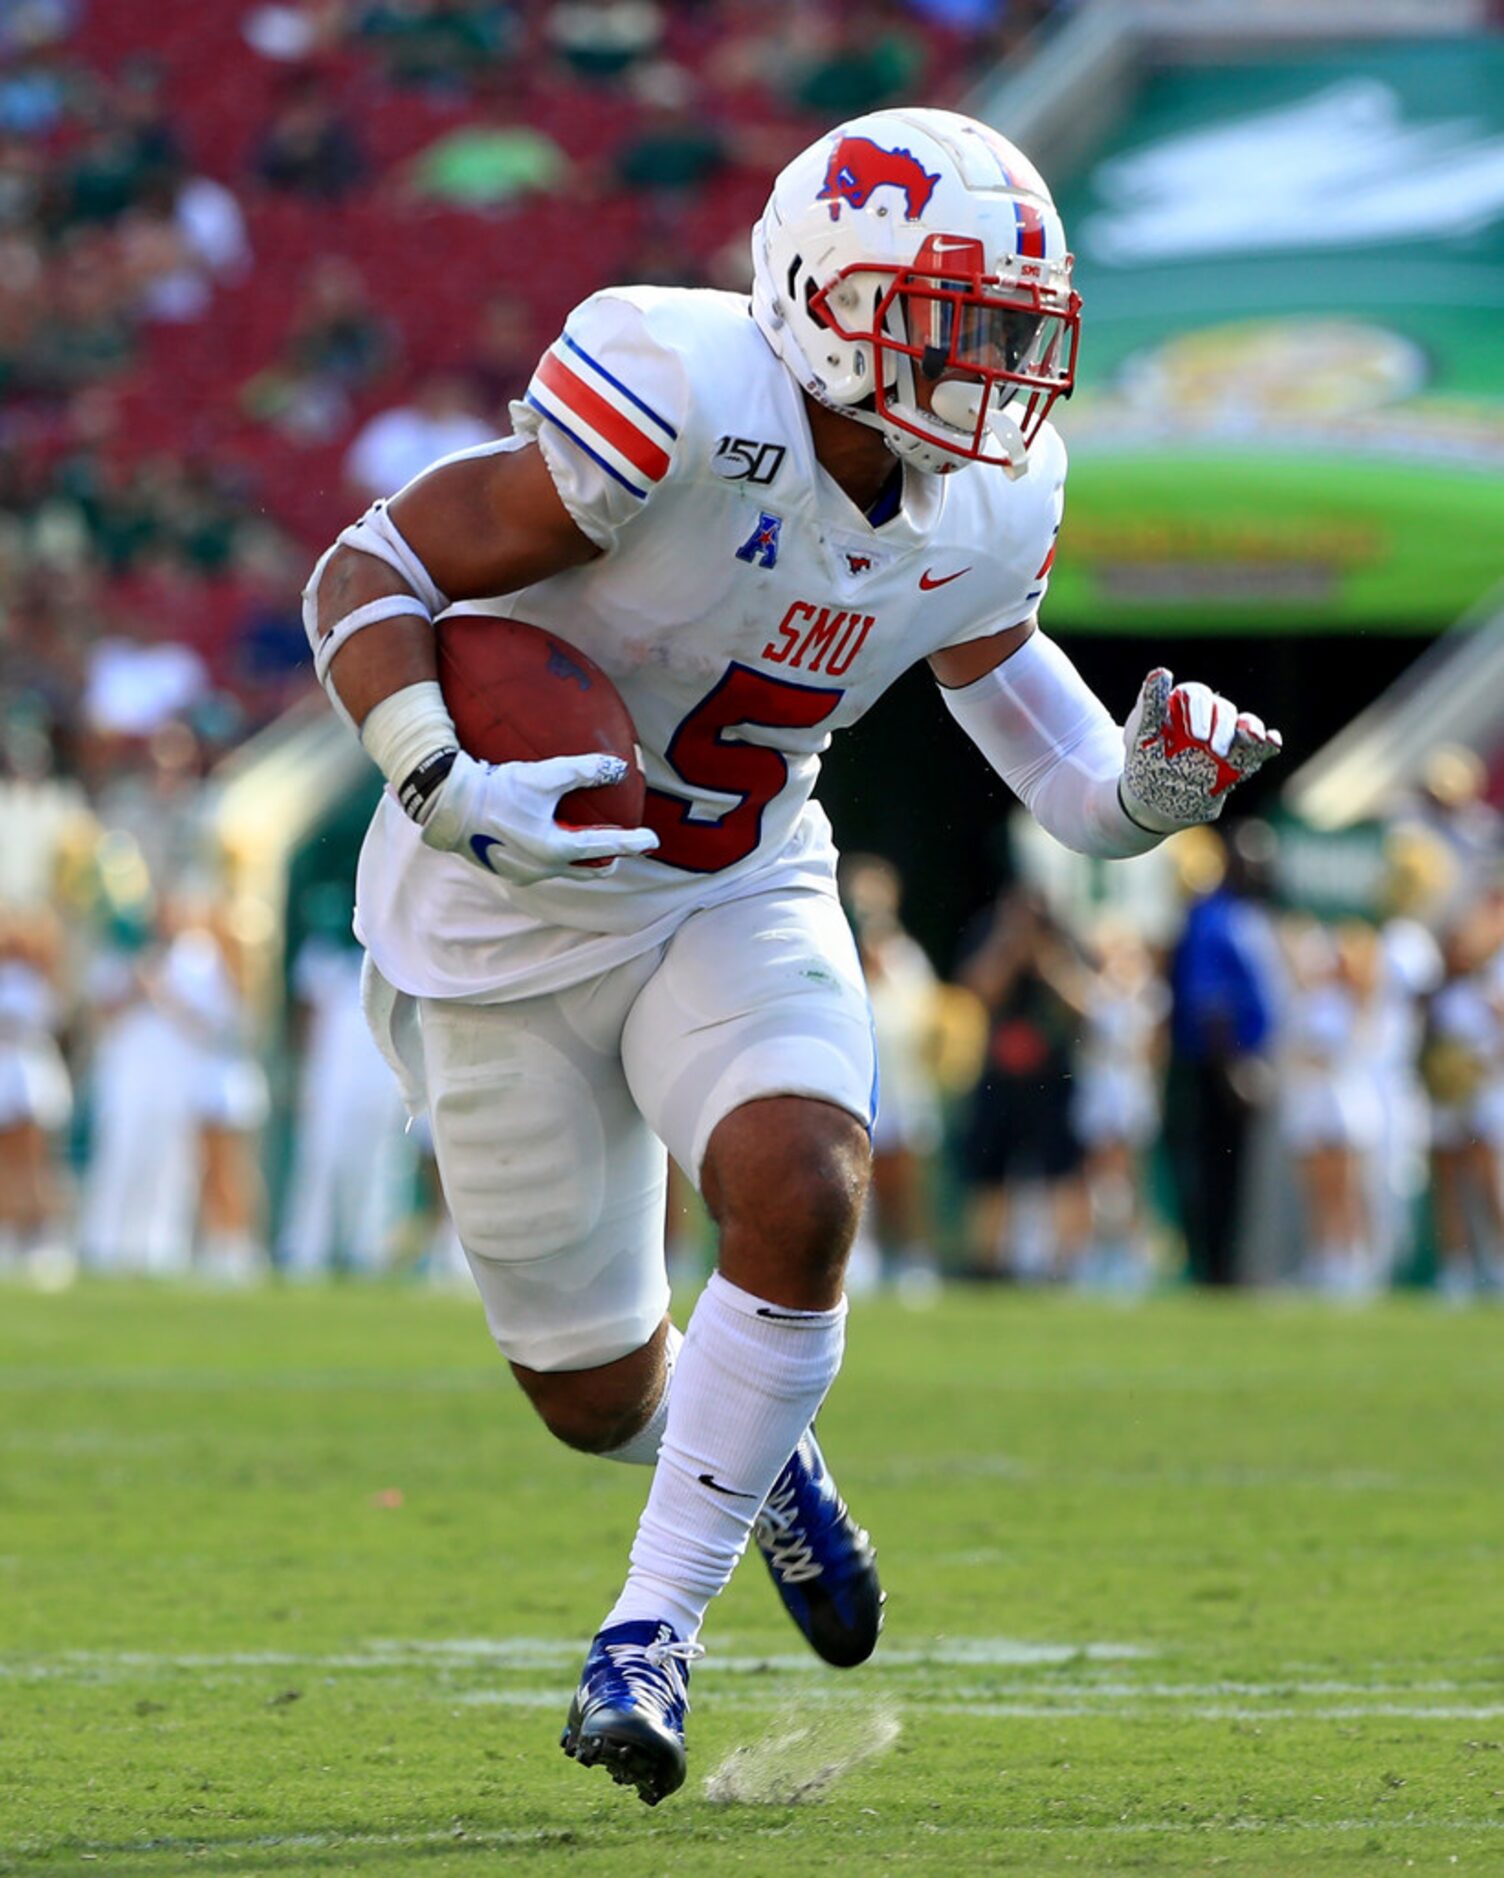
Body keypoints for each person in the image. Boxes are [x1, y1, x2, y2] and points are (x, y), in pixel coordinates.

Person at [302, 105, 1281, 1804]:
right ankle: (759, 1458)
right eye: (953, 320)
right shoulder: (674, 390)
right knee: (596, 1395)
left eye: (1009, 332)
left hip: (732, 881)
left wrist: (1142, 793)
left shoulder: (986, 498)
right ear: (825, 297)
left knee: (805, 1181)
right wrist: (443, 780)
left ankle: (645, 1636)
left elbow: (1051, 765)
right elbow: (367, 567)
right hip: (497, 900)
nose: (991, 370)